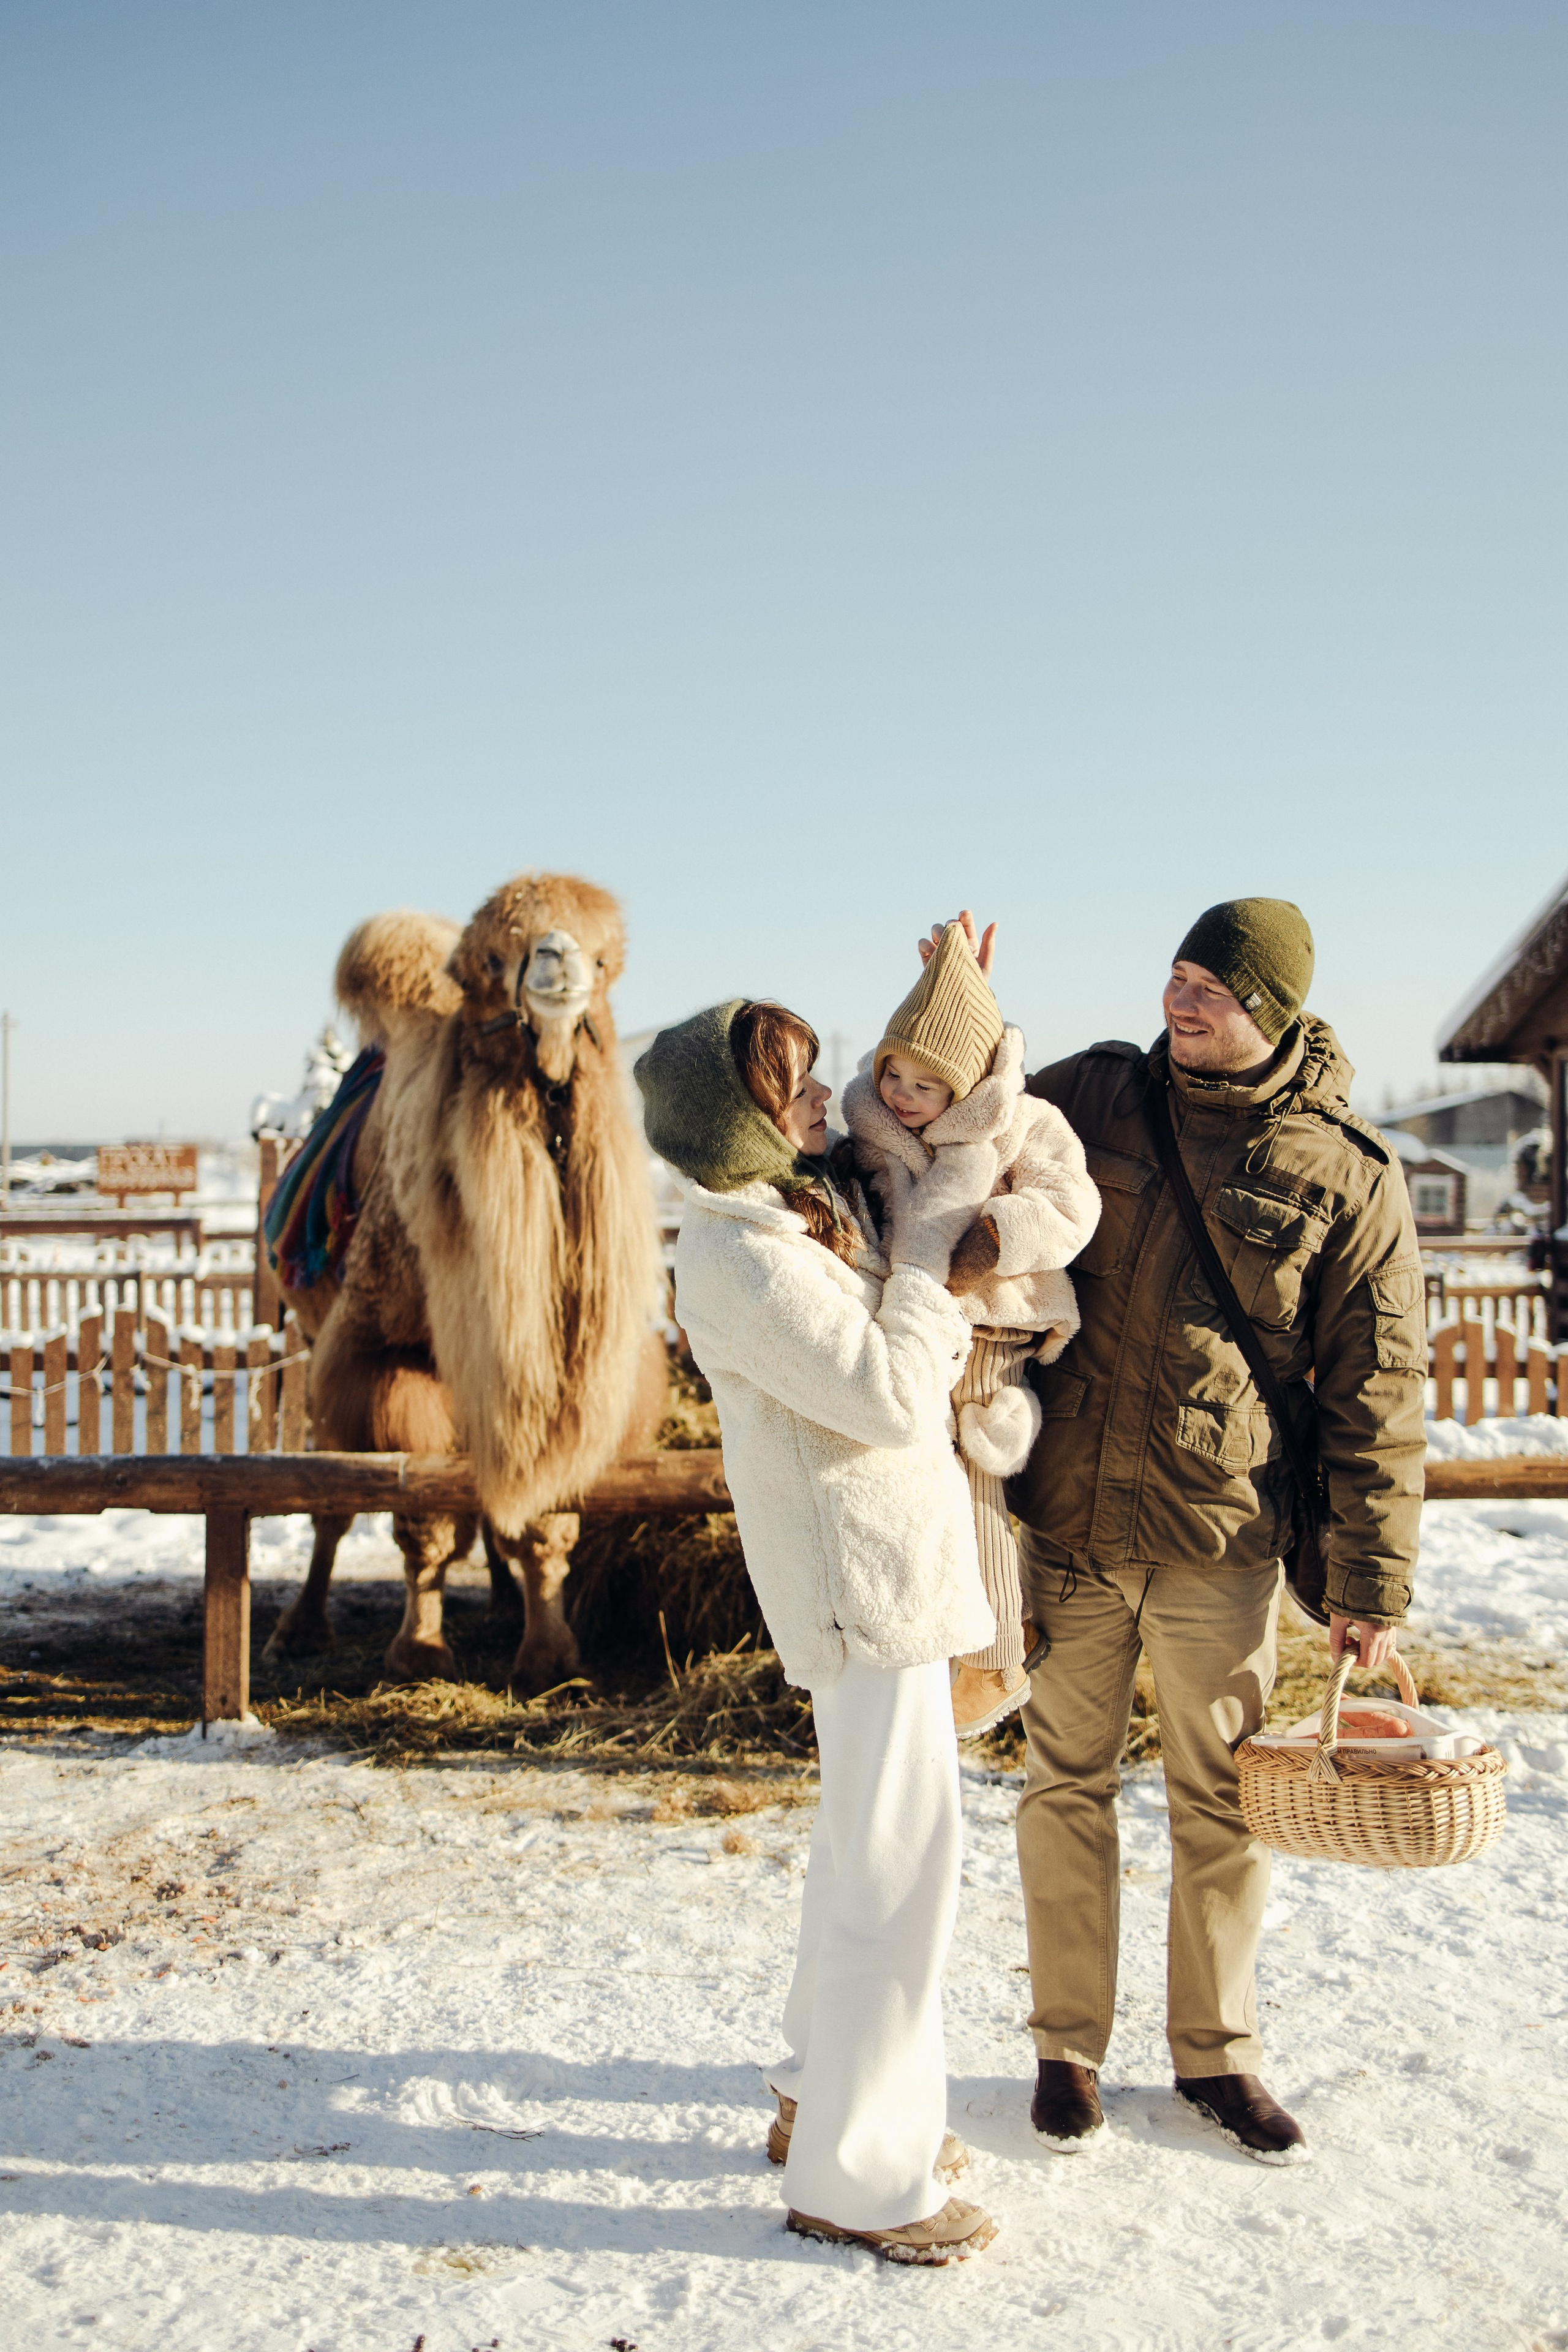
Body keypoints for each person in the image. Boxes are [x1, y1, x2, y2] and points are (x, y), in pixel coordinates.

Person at [1006, 897, 1425, 2162]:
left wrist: (1369, 1581)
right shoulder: (1092, 1096)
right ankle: (1064, 2049)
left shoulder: (1346, 1170)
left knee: (1222, 1804)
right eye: (1178, 976)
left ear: (1277, 1013)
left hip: (1218, 1539)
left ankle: (1216, 2056)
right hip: (1065, 1521)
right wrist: (951, 1014)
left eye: (1214, 990)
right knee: (1060, 1789)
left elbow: (1379, 1389)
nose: (1182, 1004)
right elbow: (952, 1128)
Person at [634, 998, 1000, 2265]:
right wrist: (926, 1278)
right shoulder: (738, 1259)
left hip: (873, 1573)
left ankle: (815, 2096)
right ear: (730, 1115)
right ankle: (863, 2175)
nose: (814, 1100)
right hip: (863, 1586)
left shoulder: (774, 1217)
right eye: (787, 1086)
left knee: (864, 1851)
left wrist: (963, 997)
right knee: (898, 1877)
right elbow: (892, 1393)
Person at [837, 921, 1101, 1739]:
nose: (905, 1097)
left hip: (989, 1327)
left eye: (927, 1084)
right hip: (906, 1326)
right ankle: (922, 1629)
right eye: (894, 1076)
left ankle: (995, 1652)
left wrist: (994, 1237)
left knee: (976, 1472)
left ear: (968, 1085)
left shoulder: (1020, 1125)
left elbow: (1071, 1205)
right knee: (911, 1474)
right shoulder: (871, 1138)